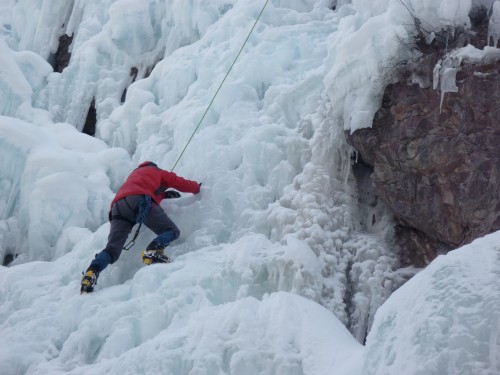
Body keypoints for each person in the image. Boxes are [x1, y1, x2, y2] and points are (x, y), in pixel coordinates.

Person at [80, 161, 201, 293]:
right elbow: (178, 182)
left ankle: (92, 272)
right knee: (171, 231)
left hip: (118, 207)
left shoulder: (133, 175)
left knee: (112, 249)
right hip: (139, 200)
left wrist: (164, 195)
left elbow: (146, 190)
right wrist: (196, 188)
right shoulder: (157, 171)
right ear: (154, 166)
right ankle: (154, 250)